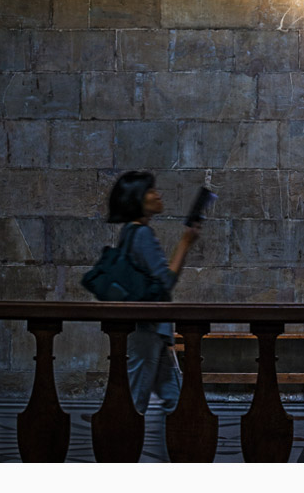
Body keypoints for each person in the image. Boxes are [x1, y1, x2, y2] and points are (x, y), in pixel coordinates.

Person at [105, 171, 200, 424]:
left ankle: (186, 441)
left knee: (174, 395)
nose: (158, 195)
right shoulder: (142, 234)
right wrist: (185, 242)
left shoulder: (130, 232)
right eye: (150, 191)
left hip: (150, 328)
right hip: (147, 329)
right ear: (137, 198)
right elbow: (165, 281)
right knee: (135, 401)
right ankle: (118, 443)